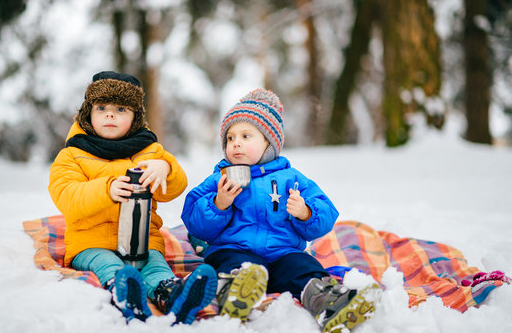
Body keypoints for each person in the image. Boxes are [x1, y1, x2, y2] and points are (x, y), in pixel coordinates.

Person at [181, 89, 381, 332]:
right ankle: (237, 291)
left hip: (282, 253)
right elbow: (193, 220)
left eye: (246, 136)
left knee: (302, 266)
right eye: (230, 138)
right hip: (234, 249)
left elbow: (326, 214)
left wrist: (305, 212)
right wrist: (218, 203)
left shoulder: (291, 178)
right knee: (232, 262)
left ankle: (326, 301)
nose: (236, 144)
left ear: (269, 143)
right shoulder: (219, 179)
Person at [49, 71, 217, 324]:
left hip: (143, 241)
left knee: (155, 267)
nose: (109, 114)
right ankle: (125, 292)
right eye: (101, 107)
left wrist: (165, 168)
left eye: (121, 109)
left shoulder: (149, 150)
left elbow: (175, 187)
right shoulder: (72, 155)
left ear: (135, 117)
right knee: (109, 265)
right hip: (90, 241)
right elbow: (67, 196)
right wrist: (106, 190)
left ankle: (172, 294)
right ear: (87, 113)